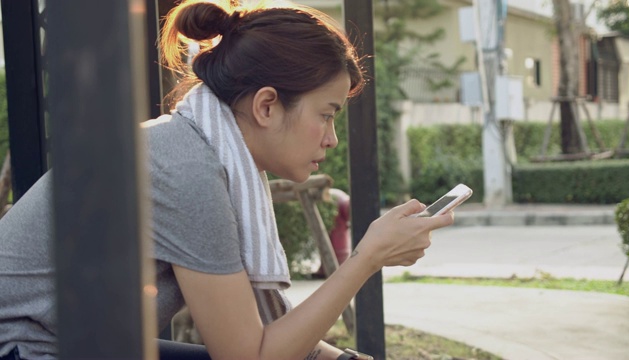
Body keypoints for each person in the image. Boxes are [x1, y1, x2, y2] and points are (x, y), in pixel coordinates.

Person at [0, 0, 455, 359]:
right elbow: (249, 356)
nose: (332, 139)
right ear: (266, 106)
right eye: (326, 115)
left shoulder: (200, 150)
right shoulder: (187, 172)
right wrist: (367, 257)